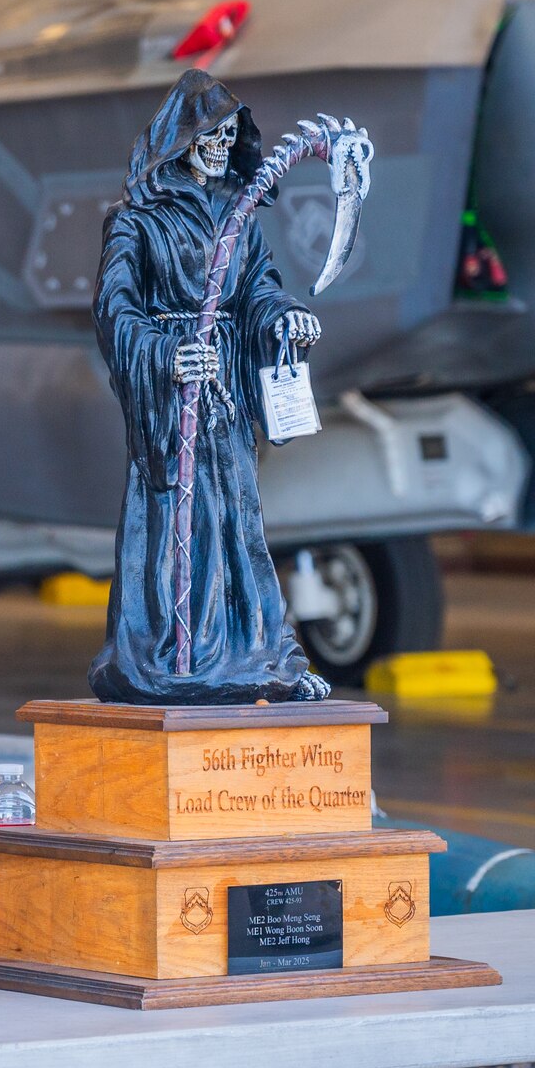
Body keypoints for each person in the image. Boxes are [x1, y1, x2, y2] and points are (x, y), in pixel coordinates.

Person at [87, 68, 325, 706]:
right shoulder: (137, 221)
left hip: (224, 395)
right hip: (173, 404)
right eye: (210, 134)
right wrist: (167, 356)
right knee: (175, 518)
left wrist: (283, 317)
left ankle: (259, 653)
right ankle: (172, 653)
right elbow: (115, 309)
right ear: (182, 138)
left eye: (229, 135)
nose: (221, 146)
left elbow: (258, 289)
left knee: (238, 516)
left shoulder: (238, 217)